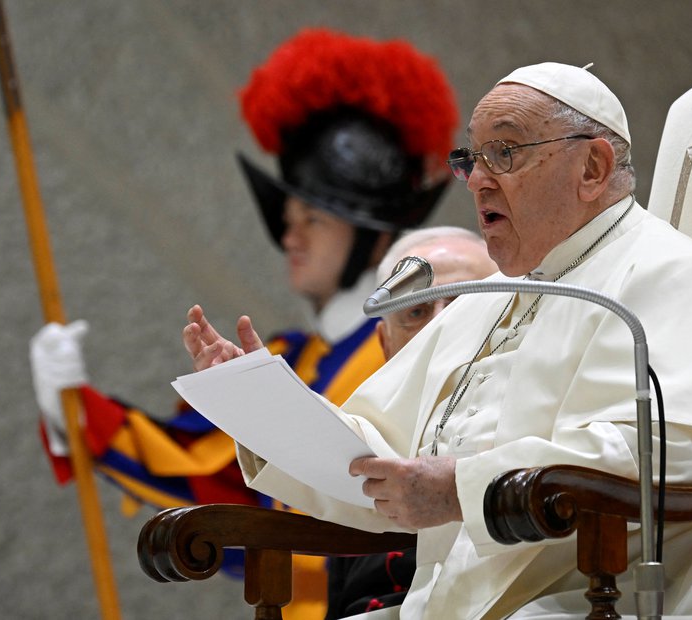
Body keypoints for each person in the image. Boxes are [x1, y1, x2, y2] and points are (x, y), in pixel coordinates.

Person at [183, 62, 692, 619]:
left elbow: (677, 450)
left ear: (591, 167)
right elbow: (377, 457)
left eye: (504, 154)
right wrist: (260, 409)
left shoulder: (668, 274)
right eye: (471, 159)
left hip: (617, 594)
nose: (477, 180)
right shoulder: (494, 297)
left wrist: (459, 485)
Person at [28, 28, 458, 620]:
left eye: (315, 217)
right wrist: (71, 407)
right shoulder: (298, 356)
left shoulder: (410, 348)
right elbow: (211, 479)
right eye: (289, 215)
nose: (291, 234)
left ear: (373, 234)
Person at [325, 225, 498, 619]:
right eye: (417, 311)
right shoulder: (362, 435)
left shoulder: (545, 402)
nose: (439, 325)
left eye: (461, 304)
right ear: (385, 345)